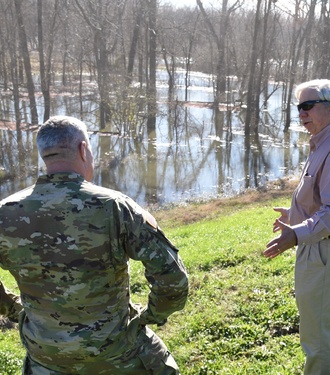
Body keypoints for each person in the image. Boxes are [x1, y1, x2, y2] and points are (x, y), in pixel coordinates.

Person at [0, 116, 189, 374]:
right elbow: (173, 278)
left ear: (44, 155)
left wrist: (14, 309)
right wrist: (152, 315)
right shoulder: (115, 207)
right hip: (118, 354)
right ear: (83, 149)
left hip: (46, 356)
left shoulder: (4, 213)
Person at [263, 79, 330, 374]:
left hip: (326, 250)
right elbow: (325, 200)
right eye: (299, 107)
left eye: (308, 106)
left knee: (317, 339)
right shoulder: (327, 140)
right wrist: (295, 212)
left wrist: (296, 234)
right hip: (326, 245)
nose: (302, 113)